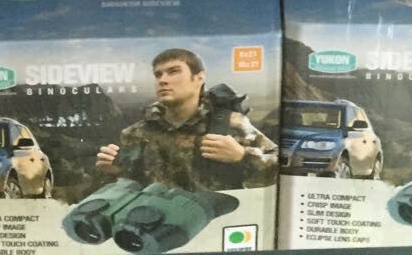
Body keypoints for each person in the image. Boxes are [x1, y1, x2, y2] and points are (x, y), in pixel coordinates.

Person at [95, 48, 276, 191]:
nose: (163, 80)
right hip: (153, 221)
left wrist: (242, 156)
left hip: (214, 219)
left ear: (199, 78)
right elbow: (126, 189)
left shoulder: (230, 124)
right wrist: (114, 171)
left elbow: (278, 168)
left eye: (173, 72)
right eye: (158, 74)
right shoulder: (137, 132)